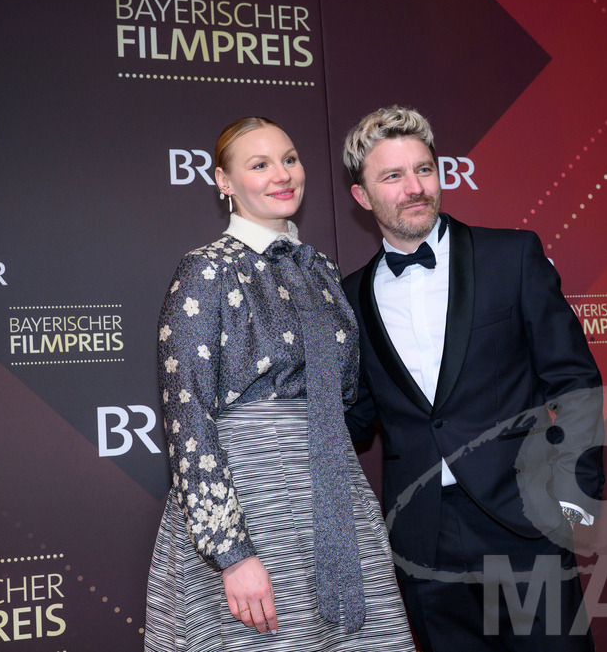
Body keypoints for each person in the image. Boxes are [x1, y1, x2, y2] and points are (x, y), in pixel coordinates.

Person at [145, 116, 415, 651]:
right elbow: (188, 422)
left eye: (290, 159)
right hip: (250, 513)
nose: (282, 175)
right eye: (259, 164)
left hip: (336, 506)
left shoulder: (321, 271)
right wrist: (231, 553)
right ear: (224, 181)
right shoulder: (205, 271)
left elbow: (344, 400)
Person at [341, 106, 605, 652]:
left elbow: (573, 377)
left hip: (522, 518)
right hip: (422, 536)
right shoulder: (350, 296)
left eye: (424, 169)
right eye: (393, 176)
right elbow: (358, 414)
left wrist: (574, 486)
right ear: (362, 197)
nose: (415, 188)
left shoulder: (511, 256)